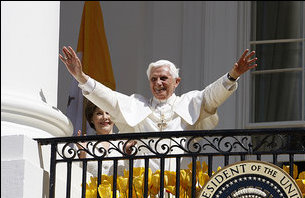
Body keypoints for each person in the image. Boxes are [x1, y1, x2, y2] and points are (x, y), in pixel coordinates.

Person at [60, 46, 257, 171]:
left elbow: (211, 95)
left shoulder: (189, 103)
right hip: (144, 189)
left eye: (164, 78)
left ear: (177, 81)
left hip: (178, 186)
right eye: (154, 79)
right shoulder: (137, 106)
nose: (158, 83)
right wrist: (81, 77)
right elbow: (109, 99)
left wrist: (232, 75)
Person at [77, 100, 125, 177]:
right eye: (99, 113)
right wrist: (83, 153)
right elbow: (78, 176)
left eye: (108, 113)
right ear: (92, 118)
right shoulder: (85, 144)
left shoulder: (124, 143)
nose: (105, 117)